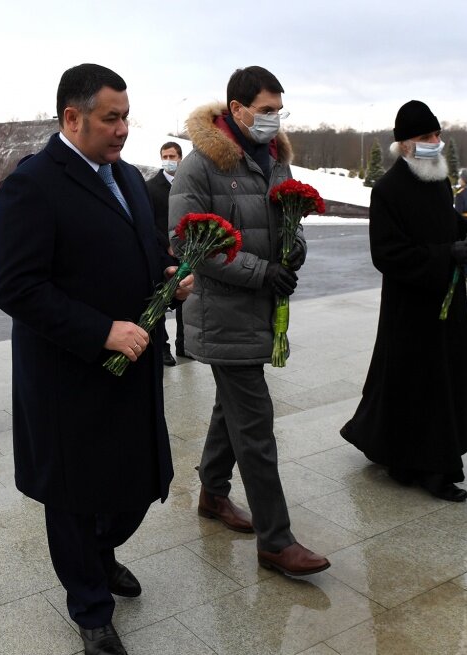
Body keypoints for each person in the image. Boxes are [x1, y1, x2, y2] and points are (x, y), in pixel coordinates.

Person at [0, 64, 190, 655]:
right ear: (71, 118)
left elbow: (143, 247)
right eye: (111, 118)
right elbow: (16, 286)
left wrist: (168, 279)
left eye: (127, 116)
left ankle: (102, 555)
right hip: (68, 375)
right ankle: (91, 608)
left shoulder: (124, 176)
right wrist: (101, 330)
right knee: (75, 495)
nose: (123, 129)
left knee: (134, 485)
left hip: (130, 369)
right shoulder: (32, 184)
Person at [169, 66, 329, 577]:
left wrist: (293, 251)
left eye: (278, 110)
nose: (273, 119)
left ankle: (212, 494)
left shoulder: (275, 157)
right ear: (235, 110)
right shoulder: (199, 167)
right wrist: (263, 273)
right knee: (255, 425)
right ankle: (275, 541)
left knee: (230, 410)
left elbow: (288, 219)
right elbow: (188, 243)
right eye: (264, 110)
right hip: (222, 314)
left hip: (257, 310)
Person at [340, 100, 467, 502]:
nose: (436, 142)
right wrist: (444, 256)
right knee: (416, 383)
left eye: (437, 135)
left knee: (444, 380)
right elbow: (387, 253)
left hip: (445, 307)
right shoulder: (388, 189)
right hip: (409, 308)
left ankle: (430, 456)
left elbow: (452, 234)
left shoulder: (436, 181)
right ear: (406, 144)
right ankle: (425, 467)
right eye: (426, 137)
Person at [146, 141, 183, 366]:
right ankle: (162, 347)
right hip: (164, 252)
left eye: (172, 156)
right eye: (165, 156)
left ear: (180, 158)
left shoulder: (187, 184)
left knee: (184, 298)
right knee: (161, 300)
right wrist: (167, 244)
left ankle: (184, 343)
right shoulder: (151, 187)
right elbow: (148, 221)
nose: (169, 160)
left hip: (187, 251)